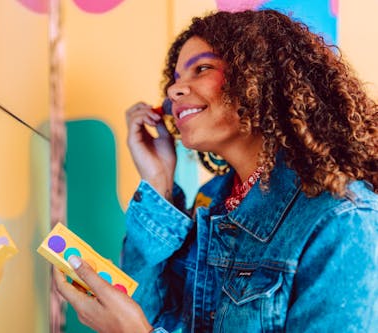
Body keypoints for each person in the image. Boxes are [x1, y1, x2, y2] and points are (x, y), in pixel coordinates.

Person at [55, 9, 378, 332]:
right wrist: (158, 180)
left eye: (202, 68)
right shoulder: (211, 200)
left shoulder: (342, 216)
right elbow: (151, 315)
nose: (173, 91)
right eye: (176, 79)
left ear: (259, 76)